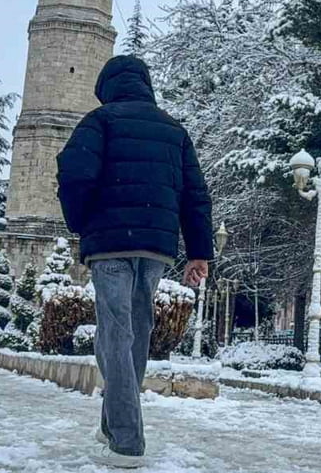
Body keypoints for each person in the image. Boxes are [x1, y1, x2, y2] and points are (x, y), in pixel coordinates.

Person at [57, 55, 213, 469]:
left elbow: (74, 175)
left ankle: (127, 440)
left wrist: (80, 223)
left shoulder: (99, 121)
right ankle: (113, 425)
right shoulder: (173, 129)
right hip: (155, 247)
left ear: (106, 86)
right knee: (135, 333)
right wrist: (199, 251)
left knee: (115, 333)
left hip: (109, 244)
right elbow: (195, 194)